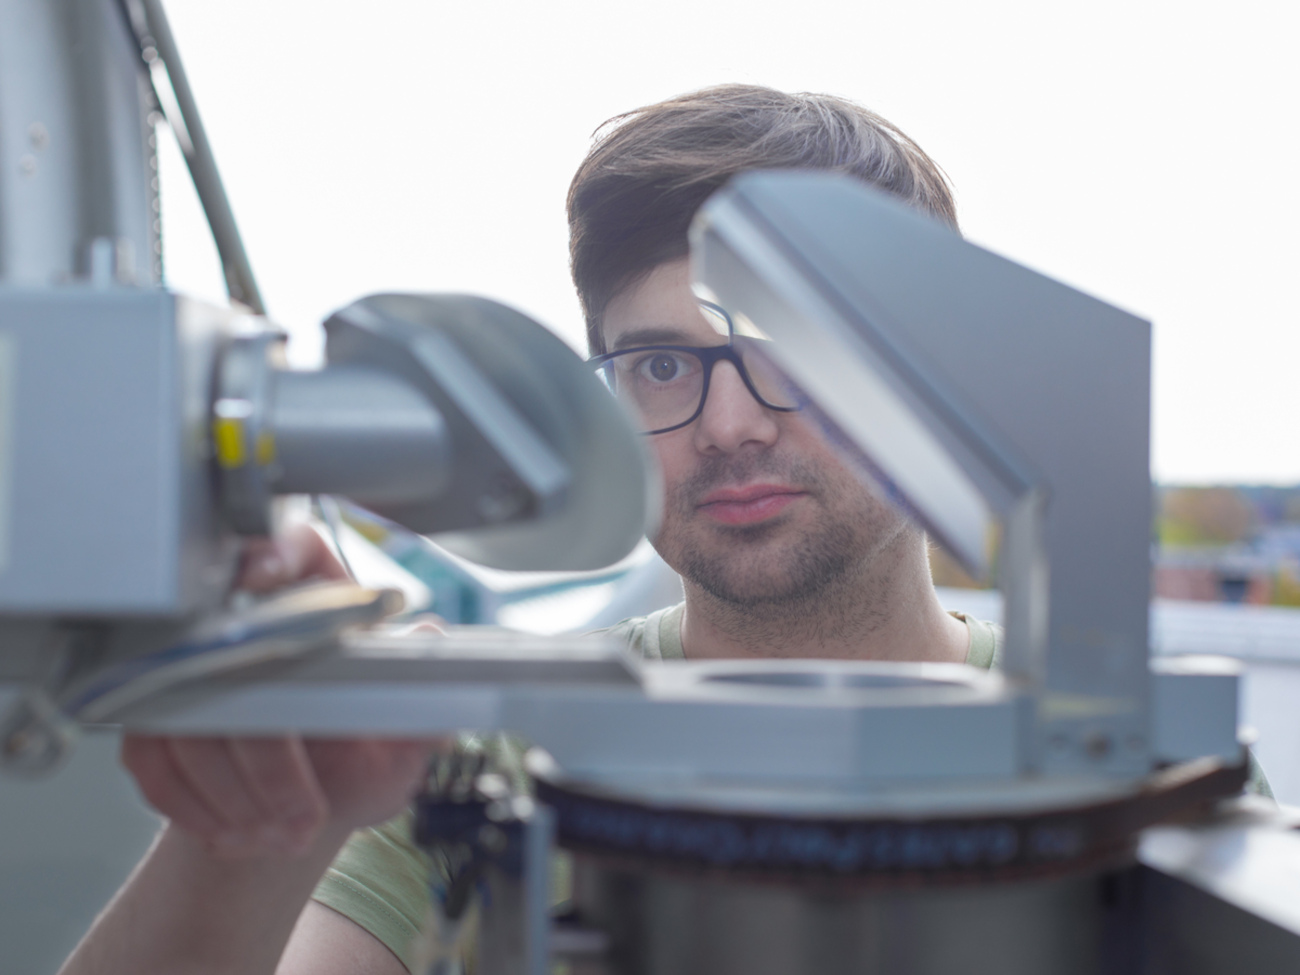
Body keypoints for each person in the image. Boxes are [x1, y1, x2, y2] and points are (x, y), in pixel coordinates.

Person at [58, 85, 1005, 975]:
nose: (728, 426)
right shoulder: (472, 767)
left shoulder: (1117, 751)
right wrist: (248, 840)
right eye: (663, 366)